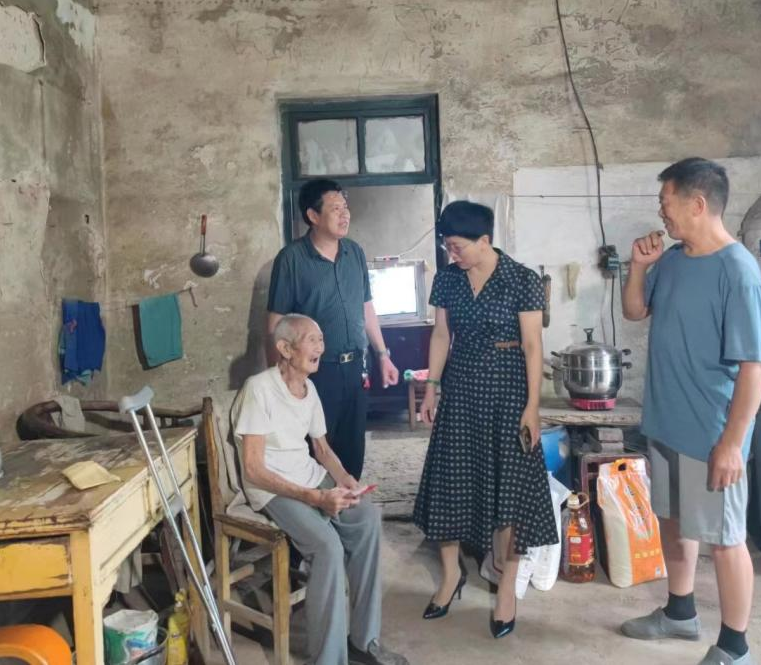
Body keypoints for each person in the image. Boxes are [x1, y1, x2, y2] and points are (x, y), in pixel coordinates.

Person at [620, 158, 761, 665]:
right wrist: (638, 267)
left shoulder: (738, 272)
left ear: (697, 204)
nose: (661, 213)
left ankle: (735, 648)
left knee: (726, 540)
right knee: (674, 522)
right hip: (666, 421)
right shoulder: (673, 261)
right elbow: (635, 311)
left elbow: (754, 368)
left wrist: (732, 444)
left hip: (711, 431)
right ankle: (680, 613)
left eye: (666, 203)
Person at [413, 201, 557, 640]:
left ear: (484, 240)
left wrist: (532, 406)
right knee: (450, 482)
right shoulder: (448, 279)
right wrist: (431, 386)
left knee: (510, 488)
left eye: (457, 246)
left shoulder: (521, 279)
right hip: (460, 388)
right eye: (447, 246)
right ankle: (451, 575)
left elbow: (532, 346)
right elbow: (442, 334)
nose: (451, 253)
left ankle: (506, 588)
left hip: (509, 391)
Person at [235, 314, 408, 665]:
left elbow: (322, 450)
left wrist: (346, 479)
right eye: (311, 340)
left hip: (309, 476)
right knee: (327, 546)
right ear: (285, 348)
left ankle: (364, 641)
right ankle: (328, 659)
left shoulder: (309, 389)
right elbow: (253, 468)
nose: (320, 347)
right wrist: (314, 498)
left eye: (321, 339)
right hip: (271, 487)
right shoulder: (259, 388)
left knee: (368, 518)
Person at [267, 179, 400, 480]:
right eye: (335, 208)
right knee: (316, 448)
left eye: (345, 207)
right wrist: (279, 379)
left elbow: (366, 307)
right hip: (315, 371)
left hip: (355, 368)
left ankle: (348, 503)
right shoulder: (291, 260)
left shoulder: (355, 253)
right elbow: (276, 324)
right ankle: (317, 505)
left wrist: (383, 355)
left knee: (353, 449)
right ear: (313, 216)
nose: (345, 214)